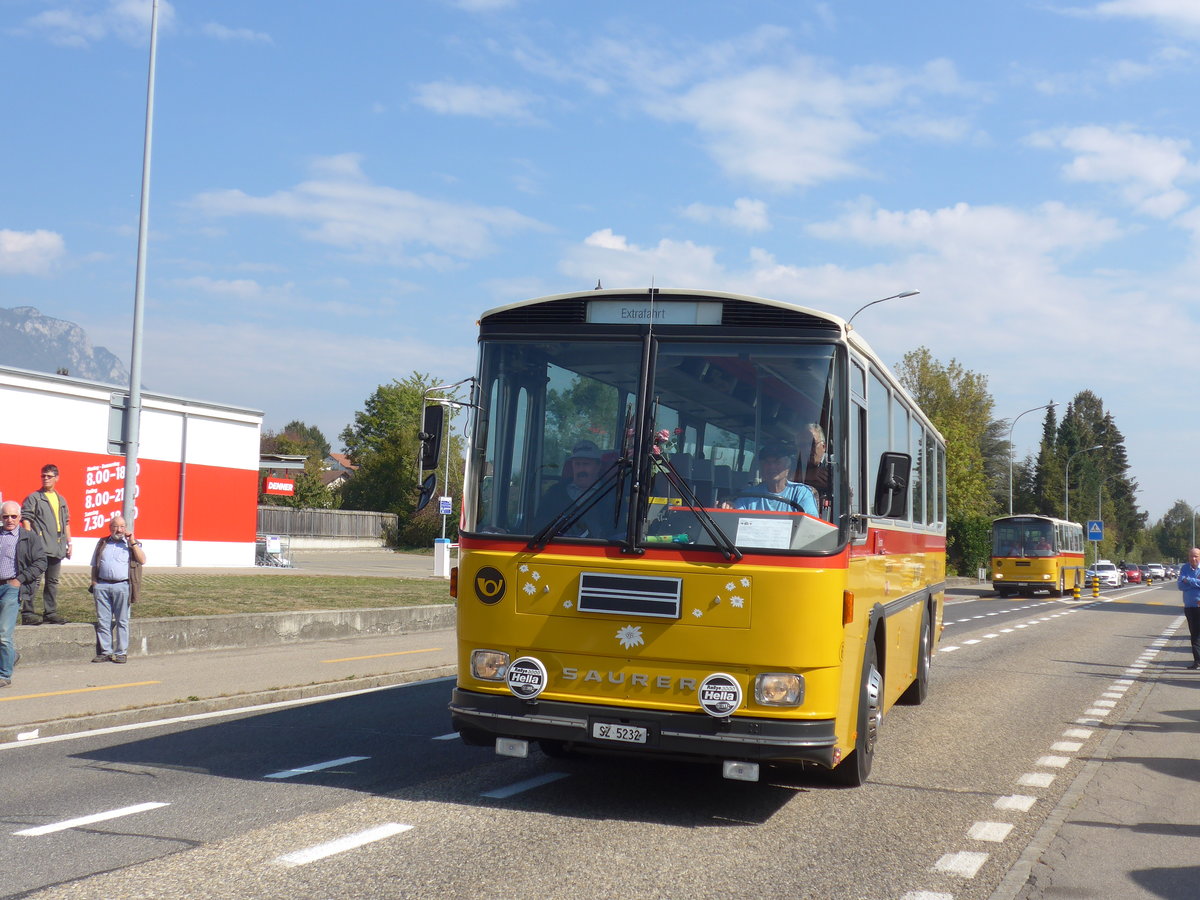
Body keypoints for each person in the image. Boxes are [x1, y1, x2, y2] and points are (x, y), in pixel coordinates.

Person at [1, 501, 47, 688]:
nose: (10, 520)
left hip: (12, 589)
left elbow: (41, 562)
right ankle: (12, 656)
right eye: (6, 516)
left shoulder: (29, 537)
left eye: (13, 516)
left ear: (20, 517)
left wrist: (19, 580)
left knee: (4, 634)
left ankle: (4, 675)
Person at [89, 515, 145, 664]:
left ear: (126, 528)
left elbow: (142, 560)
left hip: (122, 586)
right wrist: (94, 583)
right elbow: (94, 564)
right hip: (102, 586)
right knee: (103, 621)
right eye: (115, 526)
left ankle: (121, 652)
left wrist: (132, 541)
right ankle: (106, 652)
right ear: (110, 528)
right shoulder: (102, 543)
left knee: (122, 620)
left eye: (122, 527)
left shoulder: (131, 544)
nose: (119, 530)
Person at [20, 463, 72, 625]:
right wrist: (30, 540)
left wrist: (69, 543)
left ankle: (50, 613)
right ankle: (28, 613)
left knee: (52, 582)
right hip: (39, 547)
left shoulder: (61, 499)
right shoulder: (34, 497)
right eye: (43, 476)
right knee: (33, 580)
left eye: (49, 476)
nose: (45, 479)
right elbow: (26, 519)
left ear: (57, 478)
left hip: (57, 547)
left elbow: (66, 522)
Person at [537, 440, 609, 536]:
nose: (581, 469)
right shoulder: (554, 494)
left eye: (586, 464)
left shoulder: (610, 494)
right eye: (577, 464)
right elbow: (539, 527)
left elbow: (616, 534)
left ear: (598, 466)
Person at [728, 441, 819, 514]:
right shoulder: (748, 495)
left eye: (777, 462)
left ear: (788, 467)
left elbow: (810, 526)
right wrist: (729, 508)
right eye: (767, 463)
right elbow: (736, 519)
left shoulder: (801, 493)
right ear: (761, 467)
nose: (771, 467)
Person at [1175, 547, 1200, 670]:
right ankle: (1197, 661)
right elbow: (1180, 585)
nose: (1193, 558)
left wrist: (1188, 580)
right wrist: (1195, 583)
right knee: (1194, 634)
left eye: (1196, 556)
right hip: (1189, 606)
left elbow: (1185, 582)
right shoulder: (1185, 568)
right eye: (1191, 556)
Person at [799, 423, 830, 500]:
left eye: (812, 443)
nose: (808, 449)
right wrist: (807, 475)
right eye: (803, 445)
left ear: (824, 446)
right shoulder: (795, 464)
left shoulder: (834, 464)